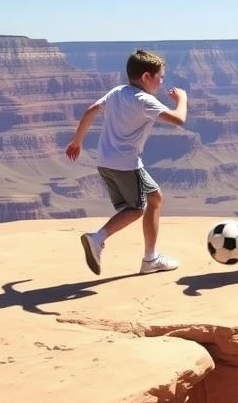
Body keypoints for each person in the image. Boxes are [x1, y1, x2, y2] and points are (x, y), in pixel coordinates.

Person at [66, 49, 188, 275]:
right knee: (135, 209)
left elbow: (90, 111)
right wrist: (182, 99)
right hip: (126, 163)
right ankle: (98, 238)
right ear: (146, 77)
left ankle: (151, 258)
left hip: (104, 161)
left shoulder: (117, 92)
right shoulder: (144, 101)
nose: (161, 82)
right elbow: (179, 119)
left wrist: (77, 141)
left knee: (155, 197)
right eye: (160, 77)